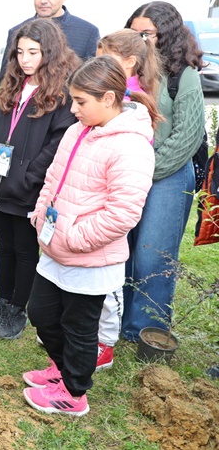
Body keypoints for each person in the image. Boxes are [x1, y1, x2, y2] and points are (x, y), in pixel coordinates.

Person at [23, 56, 156, 417]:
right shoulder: (77, 130)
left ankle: (74, 393)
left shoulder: (131, 146)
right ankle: (62, 368)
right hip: (55, 247)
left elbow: (123, 213)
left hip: (88, 255)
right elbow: (54, 177)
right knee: (41, 312)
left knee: (80, 328)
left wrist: (74, 237)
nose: (73, 108)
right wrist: (41, 214)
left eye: (81, 101)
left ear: (110, 98)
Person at [0, 19, 80, 339]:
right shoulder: (10, 86)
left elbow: (56, 145)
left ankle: (18, 308)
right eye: (20, 52)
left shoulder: (61, 94)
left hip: (28, 189)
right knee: (4, 247)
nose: (24, 59)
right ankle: (2, 300)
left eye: (33, 52)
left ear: (48, 53)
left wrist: (29, 177)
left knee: (24, 250)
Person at [121, 2, 206, 341]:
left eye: (148, 33)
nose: (141, 39)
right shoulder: (125, 71)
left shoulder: (182, 76)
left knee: (151, 258)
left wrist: (146, 170)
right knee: (122, 252)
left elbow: (186, 137)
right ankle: (115, 323)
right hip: (126, 175)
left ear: (166, 34)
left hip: (167, 177)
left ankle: (145, 331)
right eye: (134, 32)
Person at [92, 29, 162, 367]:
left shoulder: (133, 102)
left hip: (115, 193)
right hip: (95, 188)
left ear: (130, 62)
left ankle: (105, 342)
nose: (98, 61)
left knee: (108, 274)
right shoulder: (109, 91)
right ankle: (85, 332)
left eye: (107, 56)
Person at [0, 0, 99, 81]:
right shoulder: (16, 32)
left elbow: (92, 82)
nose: (43, 0)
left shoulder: (87, 33)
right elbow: (5, 79)